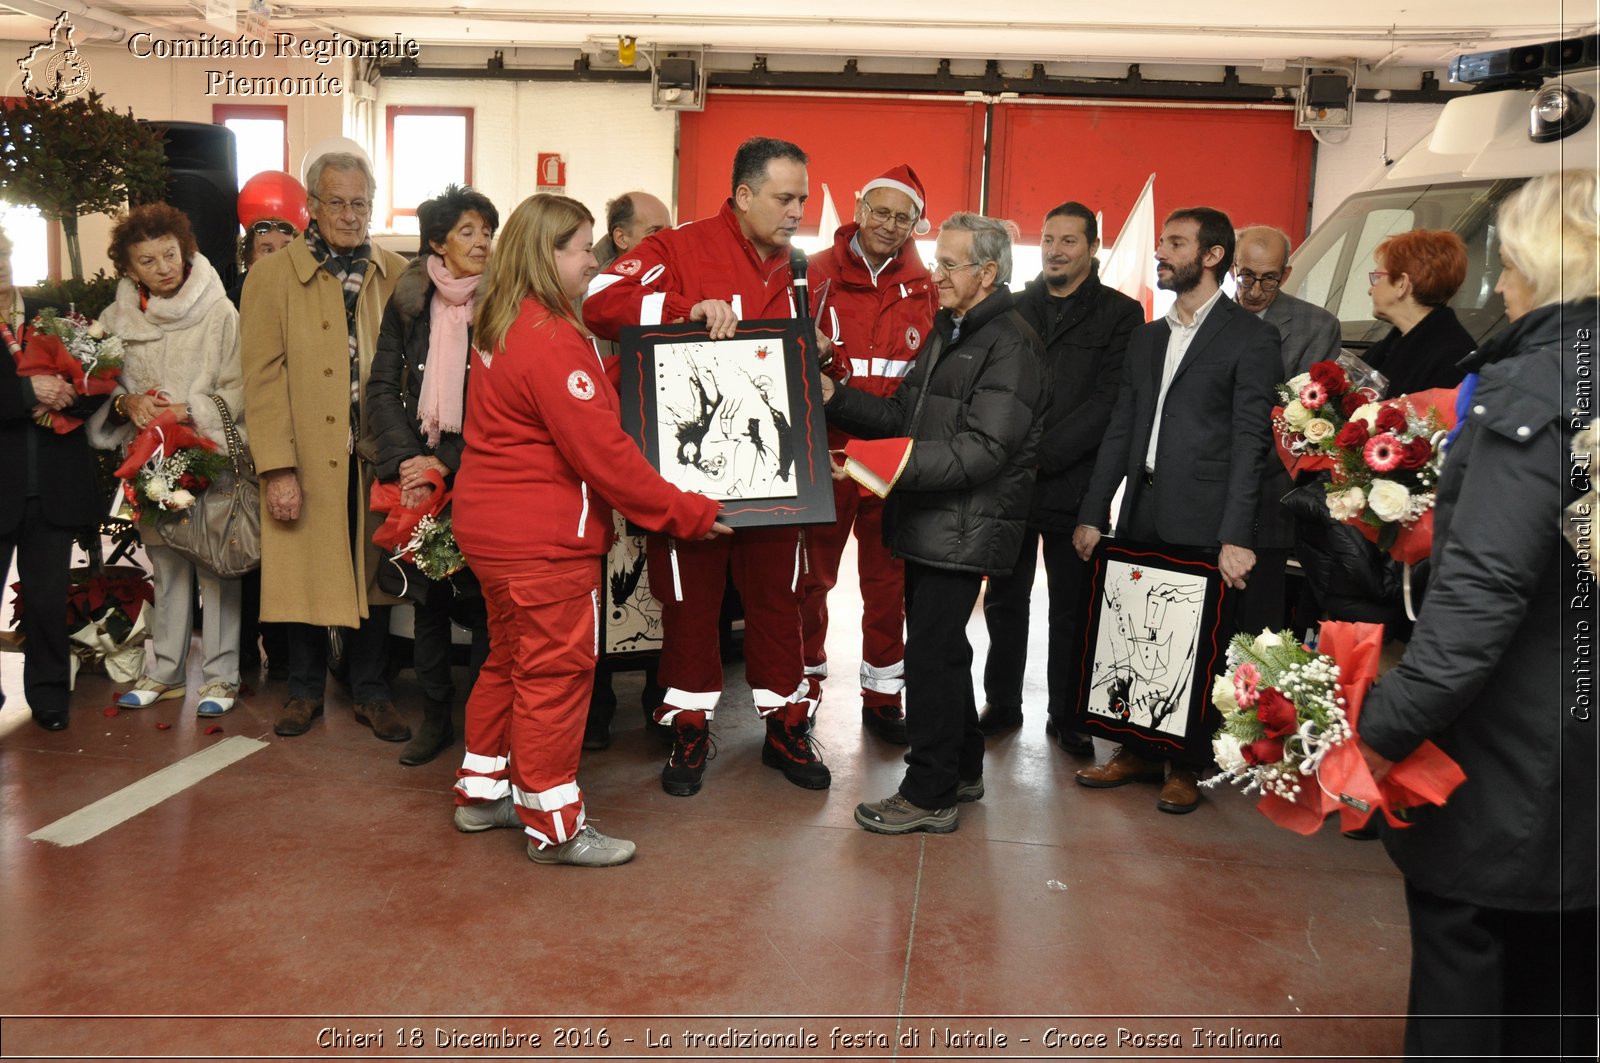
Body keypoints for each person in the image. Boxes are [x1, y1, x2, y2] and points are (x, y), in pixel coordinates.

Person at [1355, 169, 1598, 1060]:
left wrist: (1379, 728)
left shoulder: (1532, 392)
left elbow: (1480, 602)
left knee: (1471, 955)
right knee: (1565, 982)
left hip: (1512, 758)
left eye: (1509, 262)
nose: (1496, 283)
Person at [449, 192, 725, 867]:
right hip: (543, 541)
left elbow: (556, 403)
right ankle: (554, 825)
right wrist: (690, 512)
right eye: (580, 247)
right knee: (556, 673)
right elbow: (607, 459)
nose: (593, 259)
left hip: (492, 531)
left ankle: (482, 789)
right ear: (547, 253)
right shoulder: (550, 338)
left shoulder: (504, 319)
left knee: (509, 659)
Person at [583, 136, 830, 797]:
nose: (796, 211)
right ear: (743, 194)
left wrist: (816, 356)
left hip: (775, 475)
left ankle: (785, 725)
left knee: (780, 602)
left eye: (802, 198)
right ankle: (689, 728)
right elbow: (598, 297)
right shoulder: (678, 248)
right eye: (784, 198)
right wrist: (677, 311)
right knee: (690, 606)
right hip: (691, 476)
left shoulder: (797, 267)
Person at [821, 212, 1048, 834]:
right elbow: (901, 413)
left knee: (930, 658)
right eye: (938, 260)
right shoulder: (955, 329)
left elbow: (982, 451)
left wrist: (874, 466)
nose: (935, 274)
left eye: (949, 264)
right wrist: (833, 395)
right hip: (935, 522)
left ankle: (929, 793)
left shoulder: (1010, 344)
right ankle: (963, 768)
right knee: (943, 653)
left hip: (963, 527)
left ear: (988, 272)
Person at [1072, 206, 1280, 814]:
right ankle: (1135, 752)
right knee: (1138, 636)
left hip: (1208, 517)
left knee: (1199, 644)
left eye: (1176, 243)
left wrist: (1238, 535)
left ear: (1213, 256)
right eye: (1162, 242)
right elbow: (1119, 430)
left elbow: (1251, 441)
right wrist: (1093, 510)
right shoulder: (1147, 337)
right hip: (1142, 509)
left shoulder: (1251, 336)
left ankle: (1187, 765)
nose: (1162, 252)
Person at [241, 151, 410, 742]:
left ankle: (372, 691)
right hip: (307, 455)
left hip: (375, 454)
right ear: (311, 206)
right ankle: (303, 691)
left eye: (359, 203)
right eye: (335, 202)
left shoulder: (396, 272)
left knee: (374, 571)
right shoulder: (270, 276)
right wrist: (277, 467)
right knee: (304, 570)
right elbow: (260, 379)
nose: (348, 214)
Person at [978, 201, 1142, 752]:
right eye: (1048, 239)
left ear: (1092, 249)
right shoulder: (1015, 306)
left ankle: (1068, 715)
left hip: (1073, 482)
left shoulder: (1120, 314)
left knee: (1073, 605)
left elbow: (1108, 402)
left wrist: (1042, 453)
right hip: (1009, 483)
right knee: (1004, 600)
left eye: (1069, 241)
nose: (1055, 250)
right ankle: (1001, 703)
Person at [86, 204, 245, 718]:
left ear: (186, 250)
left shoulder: (220, 311)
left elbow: (239, 389)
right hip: (150, 461)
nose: (163, 267)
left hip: (208, 454)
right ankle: (166, 672)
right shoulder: (115, 320)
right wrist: (124, 403)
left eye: (170, 254)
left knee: (217, 565)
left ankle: (222, 678)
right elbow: (99, 386)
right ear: (130, 269)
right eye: (148, 260)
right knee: (168, 567)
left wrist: (188, 410)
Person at [800, 164, 937, 746]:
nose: (888, 224)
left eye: (901, 217)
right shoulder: (811, 276)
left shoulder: (929, 288)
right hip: (822, 453)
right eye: (879, 211)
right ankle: (798, 695)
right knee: (809, 580)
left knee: (888, 583)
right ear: (859, 208)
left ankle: (884, 695)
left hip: (891, 458)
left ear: (915, 226)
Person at [367, 184, 498, 766]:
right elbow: (381, 387)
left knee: (490, 604)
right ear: (439, 243)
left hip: (483, 470)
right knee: (429, 606)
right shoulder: (410, 299)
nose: (482, 244)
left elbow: (505, 399)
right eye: (468, 232)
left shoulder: (501, 305)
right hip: (419, 473)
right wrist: (411, 461)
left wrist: (452, 459)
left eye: (487, 232)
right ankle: (436, 720)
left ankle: (487, 727)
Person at [0, 226, 99, 731]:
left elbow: (100, 376)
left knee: (45, 598)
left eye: (1, 254)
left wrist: (68, 393)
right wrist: (27, 394)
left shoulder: (50, 312)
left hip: (54, 484)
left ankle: (49, 696)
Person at [229, 216, 299, 682]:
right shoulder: (230, 308)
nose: (273, 255)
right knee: (244, 554)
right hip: (240, 441)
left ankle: (284, 654)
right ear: (248, 258)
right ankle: (240, 654)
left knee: (283, 556)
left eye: (283, 247)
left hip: (289, 441)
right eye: (264, 248)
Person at [1363, 229, 1473, 395]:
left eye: (1377, 277)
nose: (1371, 289)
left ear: (1401, 283)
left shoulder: (1453, 359)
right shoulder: (1386, 348)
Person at [1233, 225, 1343, 377]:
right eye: (1247, 276)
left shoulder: (1318, 327)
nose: (1255, 292)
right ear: (1232, 269)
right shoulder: (1207, 319)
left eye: (1269, 279)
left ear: (1285, 275)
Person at [226, 217, 297, 310]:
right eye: (268, 250)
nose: (279, 256)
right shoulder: (230, 306)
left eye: (285, 248)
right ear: (250, 262)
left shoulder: (312, 296)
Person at [593, 192, 672, 270]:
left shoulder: (678, 273)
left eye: (670, 232)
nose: (668, 241)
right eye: (655, 232)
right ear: (621, 238)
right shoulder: (599, 281)